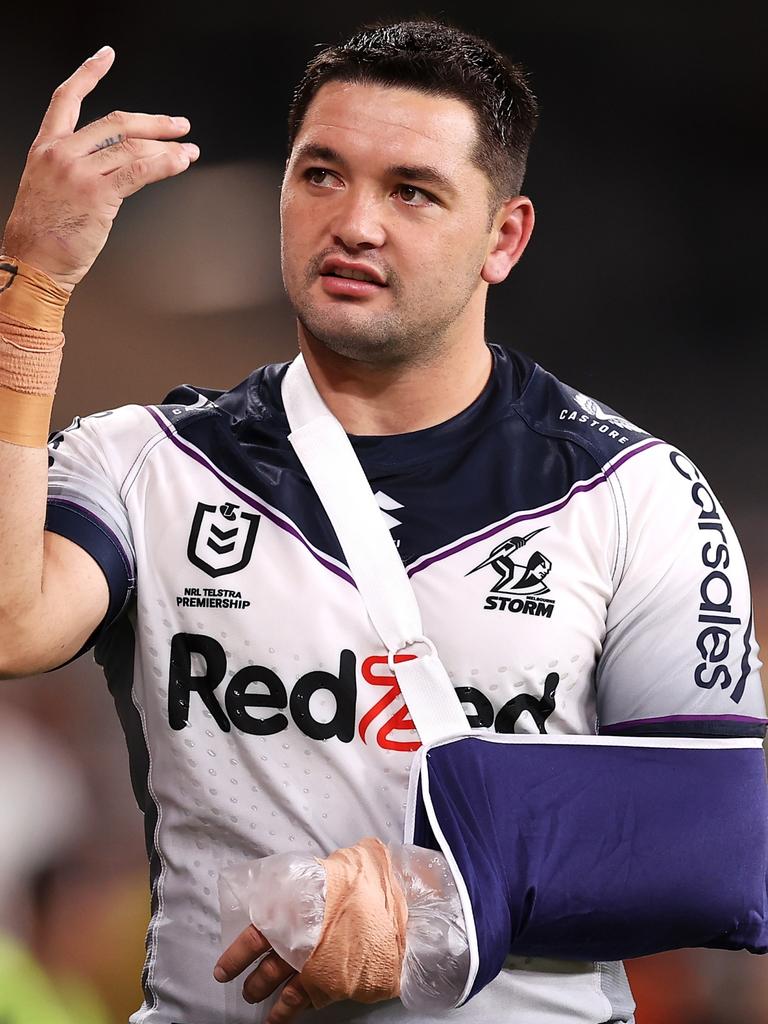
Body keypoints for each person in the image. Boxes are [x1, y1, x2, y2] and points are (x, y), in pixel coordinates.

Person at [0, 18, 765, 1024]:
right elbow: (15, 623)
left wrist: (432, 906)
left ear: (505, 237)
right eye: (320, 174)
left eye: (411, 190)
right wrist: (33, 294)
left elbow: (719, 843)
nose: (355, 221)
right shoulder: (147, 462)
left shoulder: (633, 489)